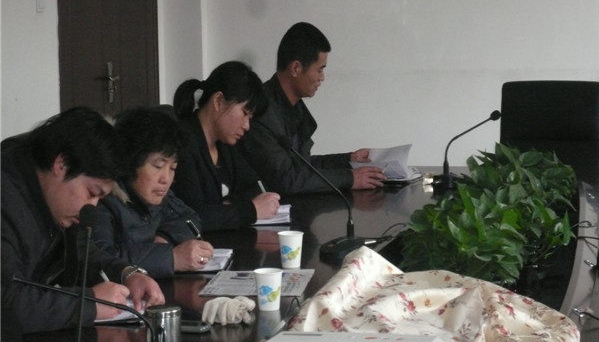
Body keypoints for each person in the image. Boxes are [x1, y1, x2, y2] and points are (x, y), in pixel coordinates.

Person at [1, 107, 165, 340]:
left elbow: (82, 252)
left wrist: (127, 274)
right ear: (61, 164)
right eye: (91, 193)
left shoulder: (54, 200)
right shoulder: (6, 197)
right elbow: (5, 304)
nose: (93, 206)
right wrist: (88, 303)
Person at [239, 22, 387, 195]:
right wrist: (350, 178)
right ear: (296, 68)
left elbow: (304, 165)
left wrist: (348, 160)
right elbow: (287, 179)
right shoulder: (261, 110)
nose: (322, 78)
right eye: (319, 70)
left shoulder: (294, 108)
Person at [92, 107, 215, 278]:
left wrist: (165, 237)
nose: (166, 179)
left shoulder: (156, 194)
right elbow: (100, 259)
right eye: (158, 166)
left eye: (172, 168)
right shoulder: (104, 200)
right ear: (130, 162)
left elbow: (189, 218)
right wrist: (171, 257)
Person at [172, 61, 281, 231]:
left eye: (250, 118)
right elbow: (193, 216)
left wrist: (224, 209)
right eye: (244, 113)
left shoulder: (225, 144)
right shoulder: (182, 143)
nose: (247, 126)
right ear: (218, 101)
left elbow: (254, 188)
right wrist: (250, 210)